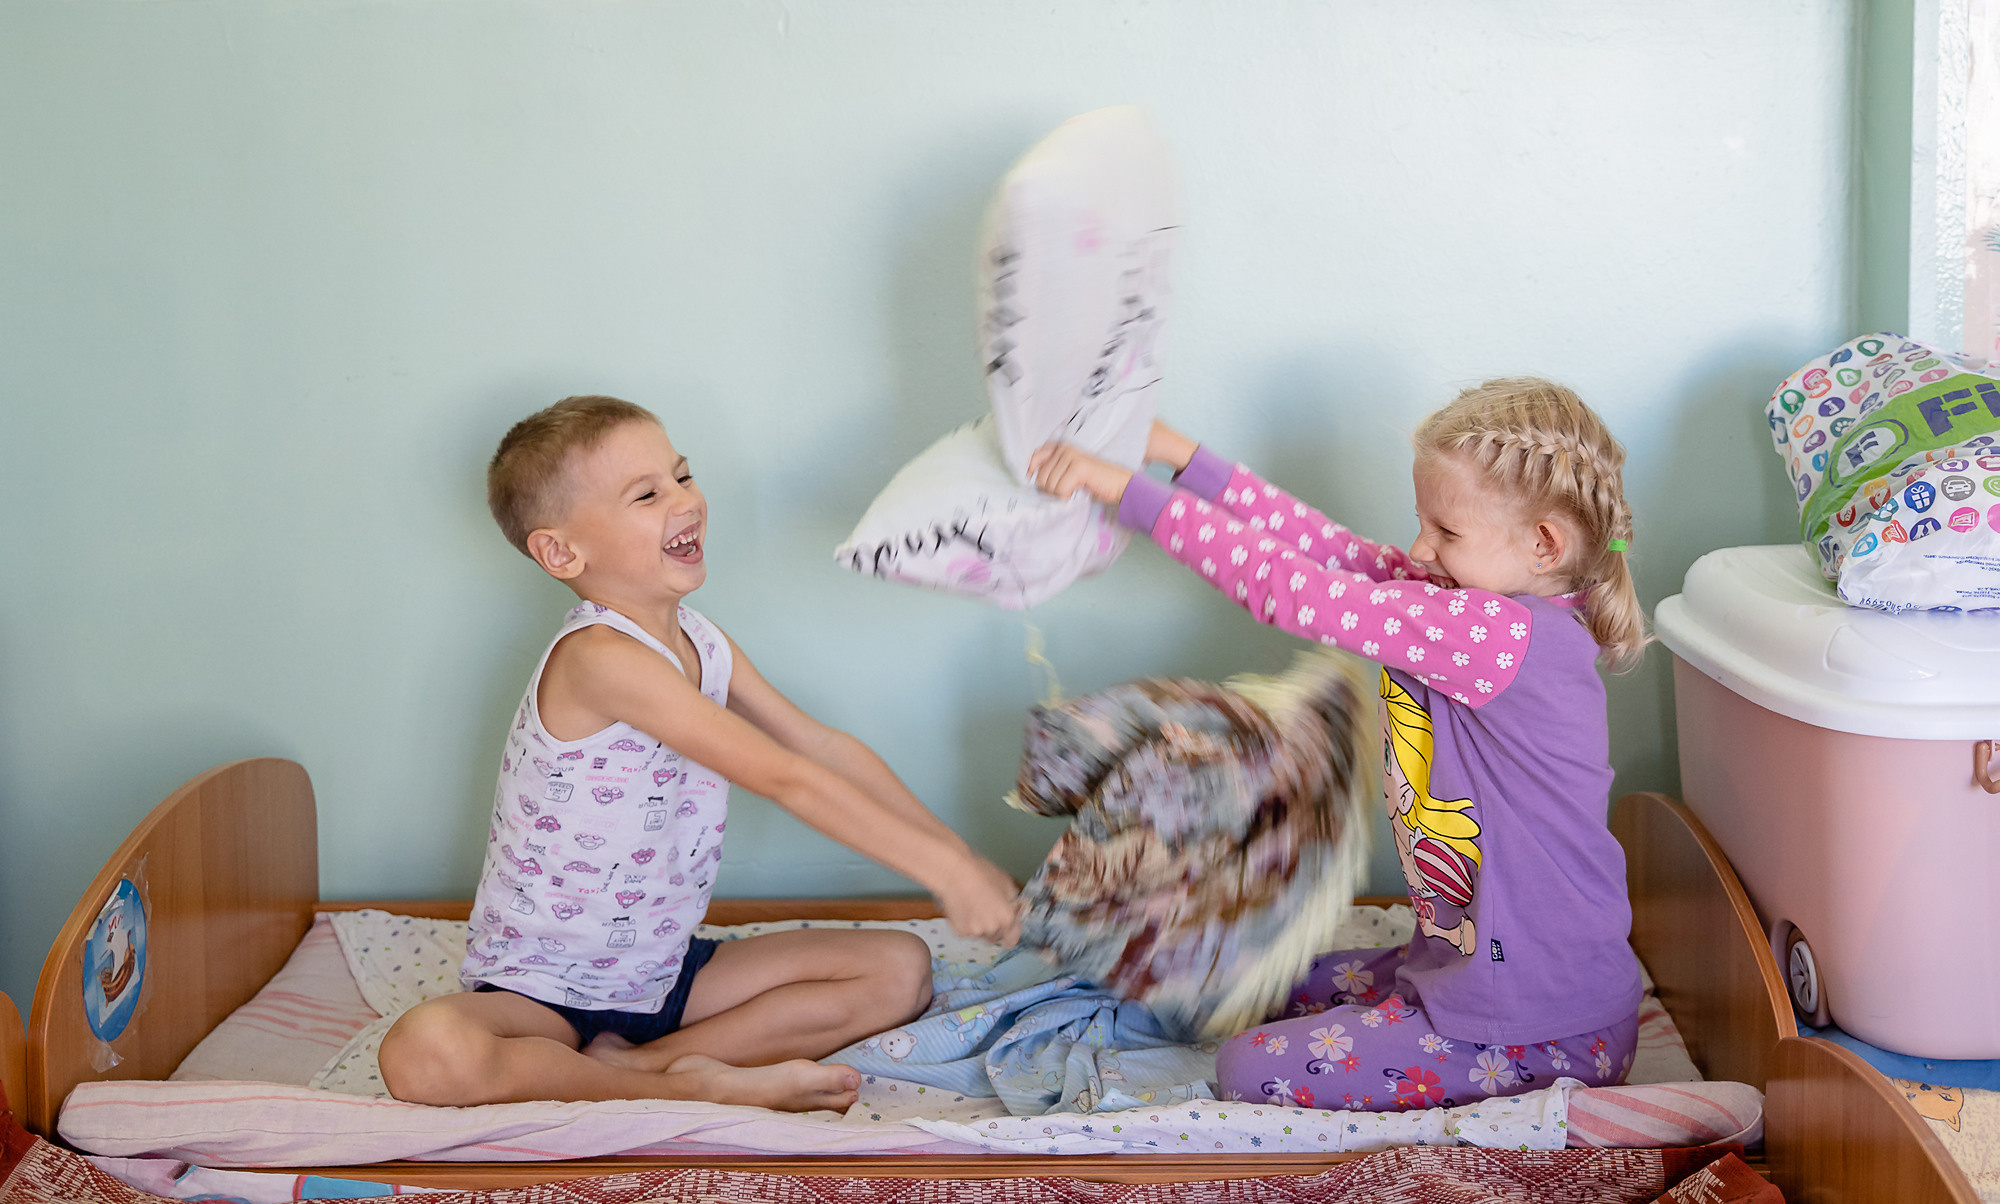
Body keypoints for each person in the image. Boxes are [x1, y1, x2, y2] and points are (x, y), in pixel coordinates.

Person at [380, 395, 1020, 1113]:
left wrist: (955, 857)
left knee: (902, 970)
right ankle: (684, 1080)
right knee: (426, 1051)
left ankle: (647, 1068)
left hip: (663, 975)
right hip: (543, 995)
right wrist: (940, 869)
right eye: (647, 493)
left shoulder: (702, 641)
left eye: (683, 476)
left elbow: (819, 745)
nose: (684, 501)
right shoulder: (597, 656)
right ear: (562, 551)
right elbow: (784, 775)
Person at [1029, 379, 1646, 1111]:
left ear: (1544, 544)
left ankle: (1468, 1035)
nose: (1422, 547)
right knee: (1249, 981)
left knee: (1246, 1065)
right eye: (1423, 523)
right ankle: (1421, 1001)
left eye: (1446, 532)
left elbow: (1290, 589)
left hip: (1538, 1022)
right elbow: (1326, 550)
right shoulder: (1474, 606)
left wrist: (1128, 493)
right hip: (1466, 967)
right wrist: (1184, 458)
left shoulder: (1499, 633)